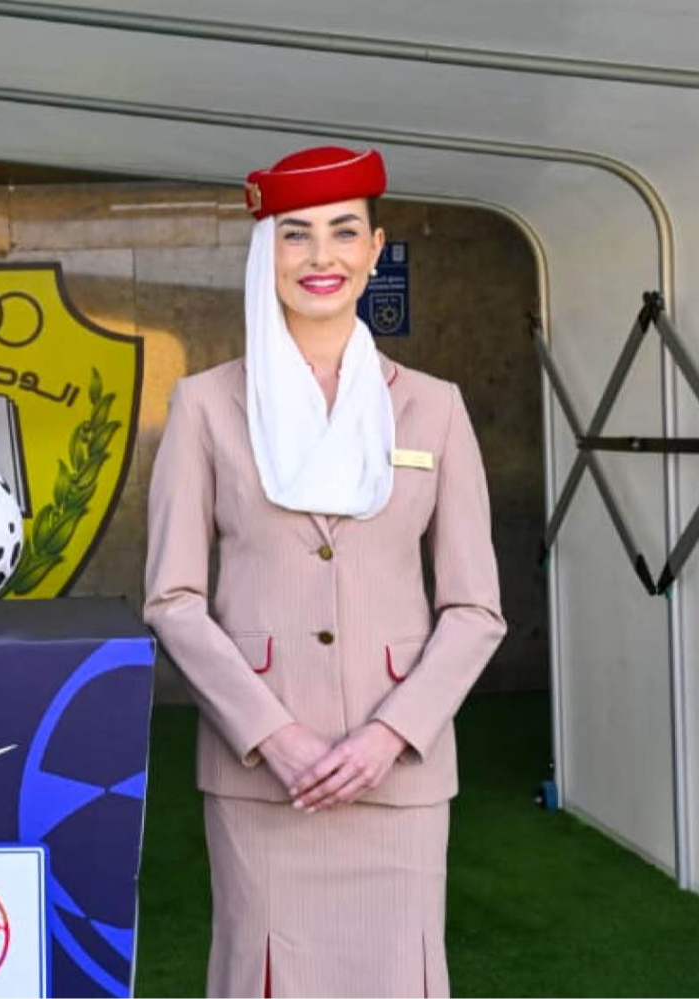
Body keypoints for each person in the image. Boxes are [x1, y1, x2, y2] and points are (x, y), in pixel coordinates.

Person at [143, 146, 505, 999]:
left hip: (400, 773)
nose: (321, 256)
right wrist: (275, 736)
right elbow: (173, 599)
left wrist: (390, 734)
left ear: (375, 250)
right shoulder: (205, 405)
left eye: (344, 232)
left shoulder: (435, 406)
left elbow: (475, 608)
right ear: (265, 252)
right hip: (263, 777)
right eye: (295, 234)